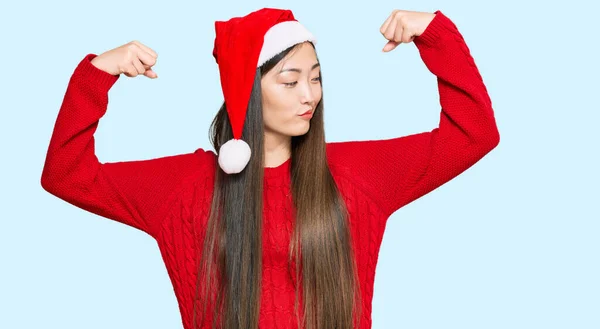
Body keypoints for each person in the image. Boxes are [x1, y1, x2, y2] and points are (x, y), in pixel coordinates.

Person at [40, 7, 500, 329]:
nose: (309, 96)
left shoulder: (358, 174)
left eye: (316, 78)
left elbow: (473, 134)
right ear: (248, 91)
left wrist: (435, 34)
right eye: (290, 80)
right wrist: (97, 73)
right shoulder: (183, 189)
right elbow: (65, 173)